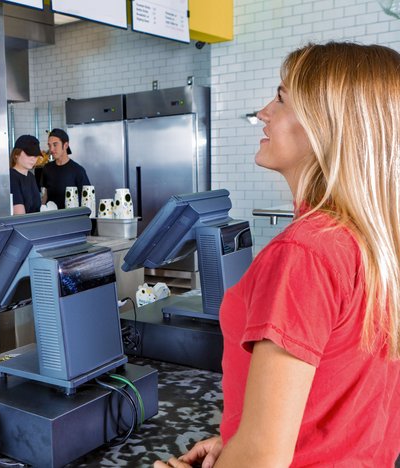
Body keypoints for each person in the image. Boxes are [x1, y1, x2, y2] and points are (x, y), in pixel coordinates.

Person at [155, 42, 400, 468]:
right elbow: (342, 403)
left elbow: (263, 460)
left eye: (282, 99)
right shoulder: (375, 242)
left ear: (328, 125)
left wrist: (249, 451)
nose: (264, 112)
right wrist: (239, 442)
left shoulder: (305, 252)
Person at [41, 128, 90, 209]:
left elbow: (87, 199)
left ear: (66, 145)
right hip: (51, 218)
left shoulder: (78, 170)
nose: (51, 149)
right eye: (49, 145)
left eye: (55, 145)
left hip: (71, 218)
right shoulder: (47, 169)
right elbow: (45, 195)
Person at [10, 134, 42, 214]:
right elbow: (19, 215)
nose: (33, 159)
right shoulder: (11, 177)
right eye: (29, 154)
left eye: (35, 155)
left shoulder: (31, 176)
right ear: (16, 154)